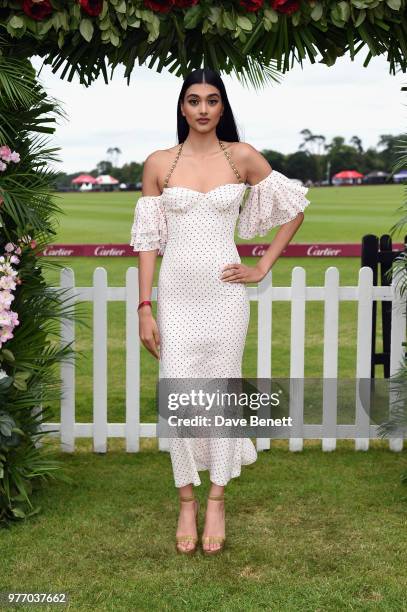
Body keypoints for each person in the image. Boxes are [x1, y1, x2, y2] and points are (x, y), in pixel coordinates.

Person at [130, 68, 310, 555]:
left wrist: (262, 267)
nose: (204, 108)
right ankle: (186, 499)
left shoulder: (243, 157)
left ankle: (216, 499)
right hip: (176, 294)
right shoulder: (159, 164)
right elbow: (148, 243)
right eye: (194, 100)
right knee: (182, 394)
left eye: (212, 100)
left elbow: (294, 207)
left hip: (226, 294)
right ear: (182, 108)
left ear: (223, 107)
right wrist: (145, 306)